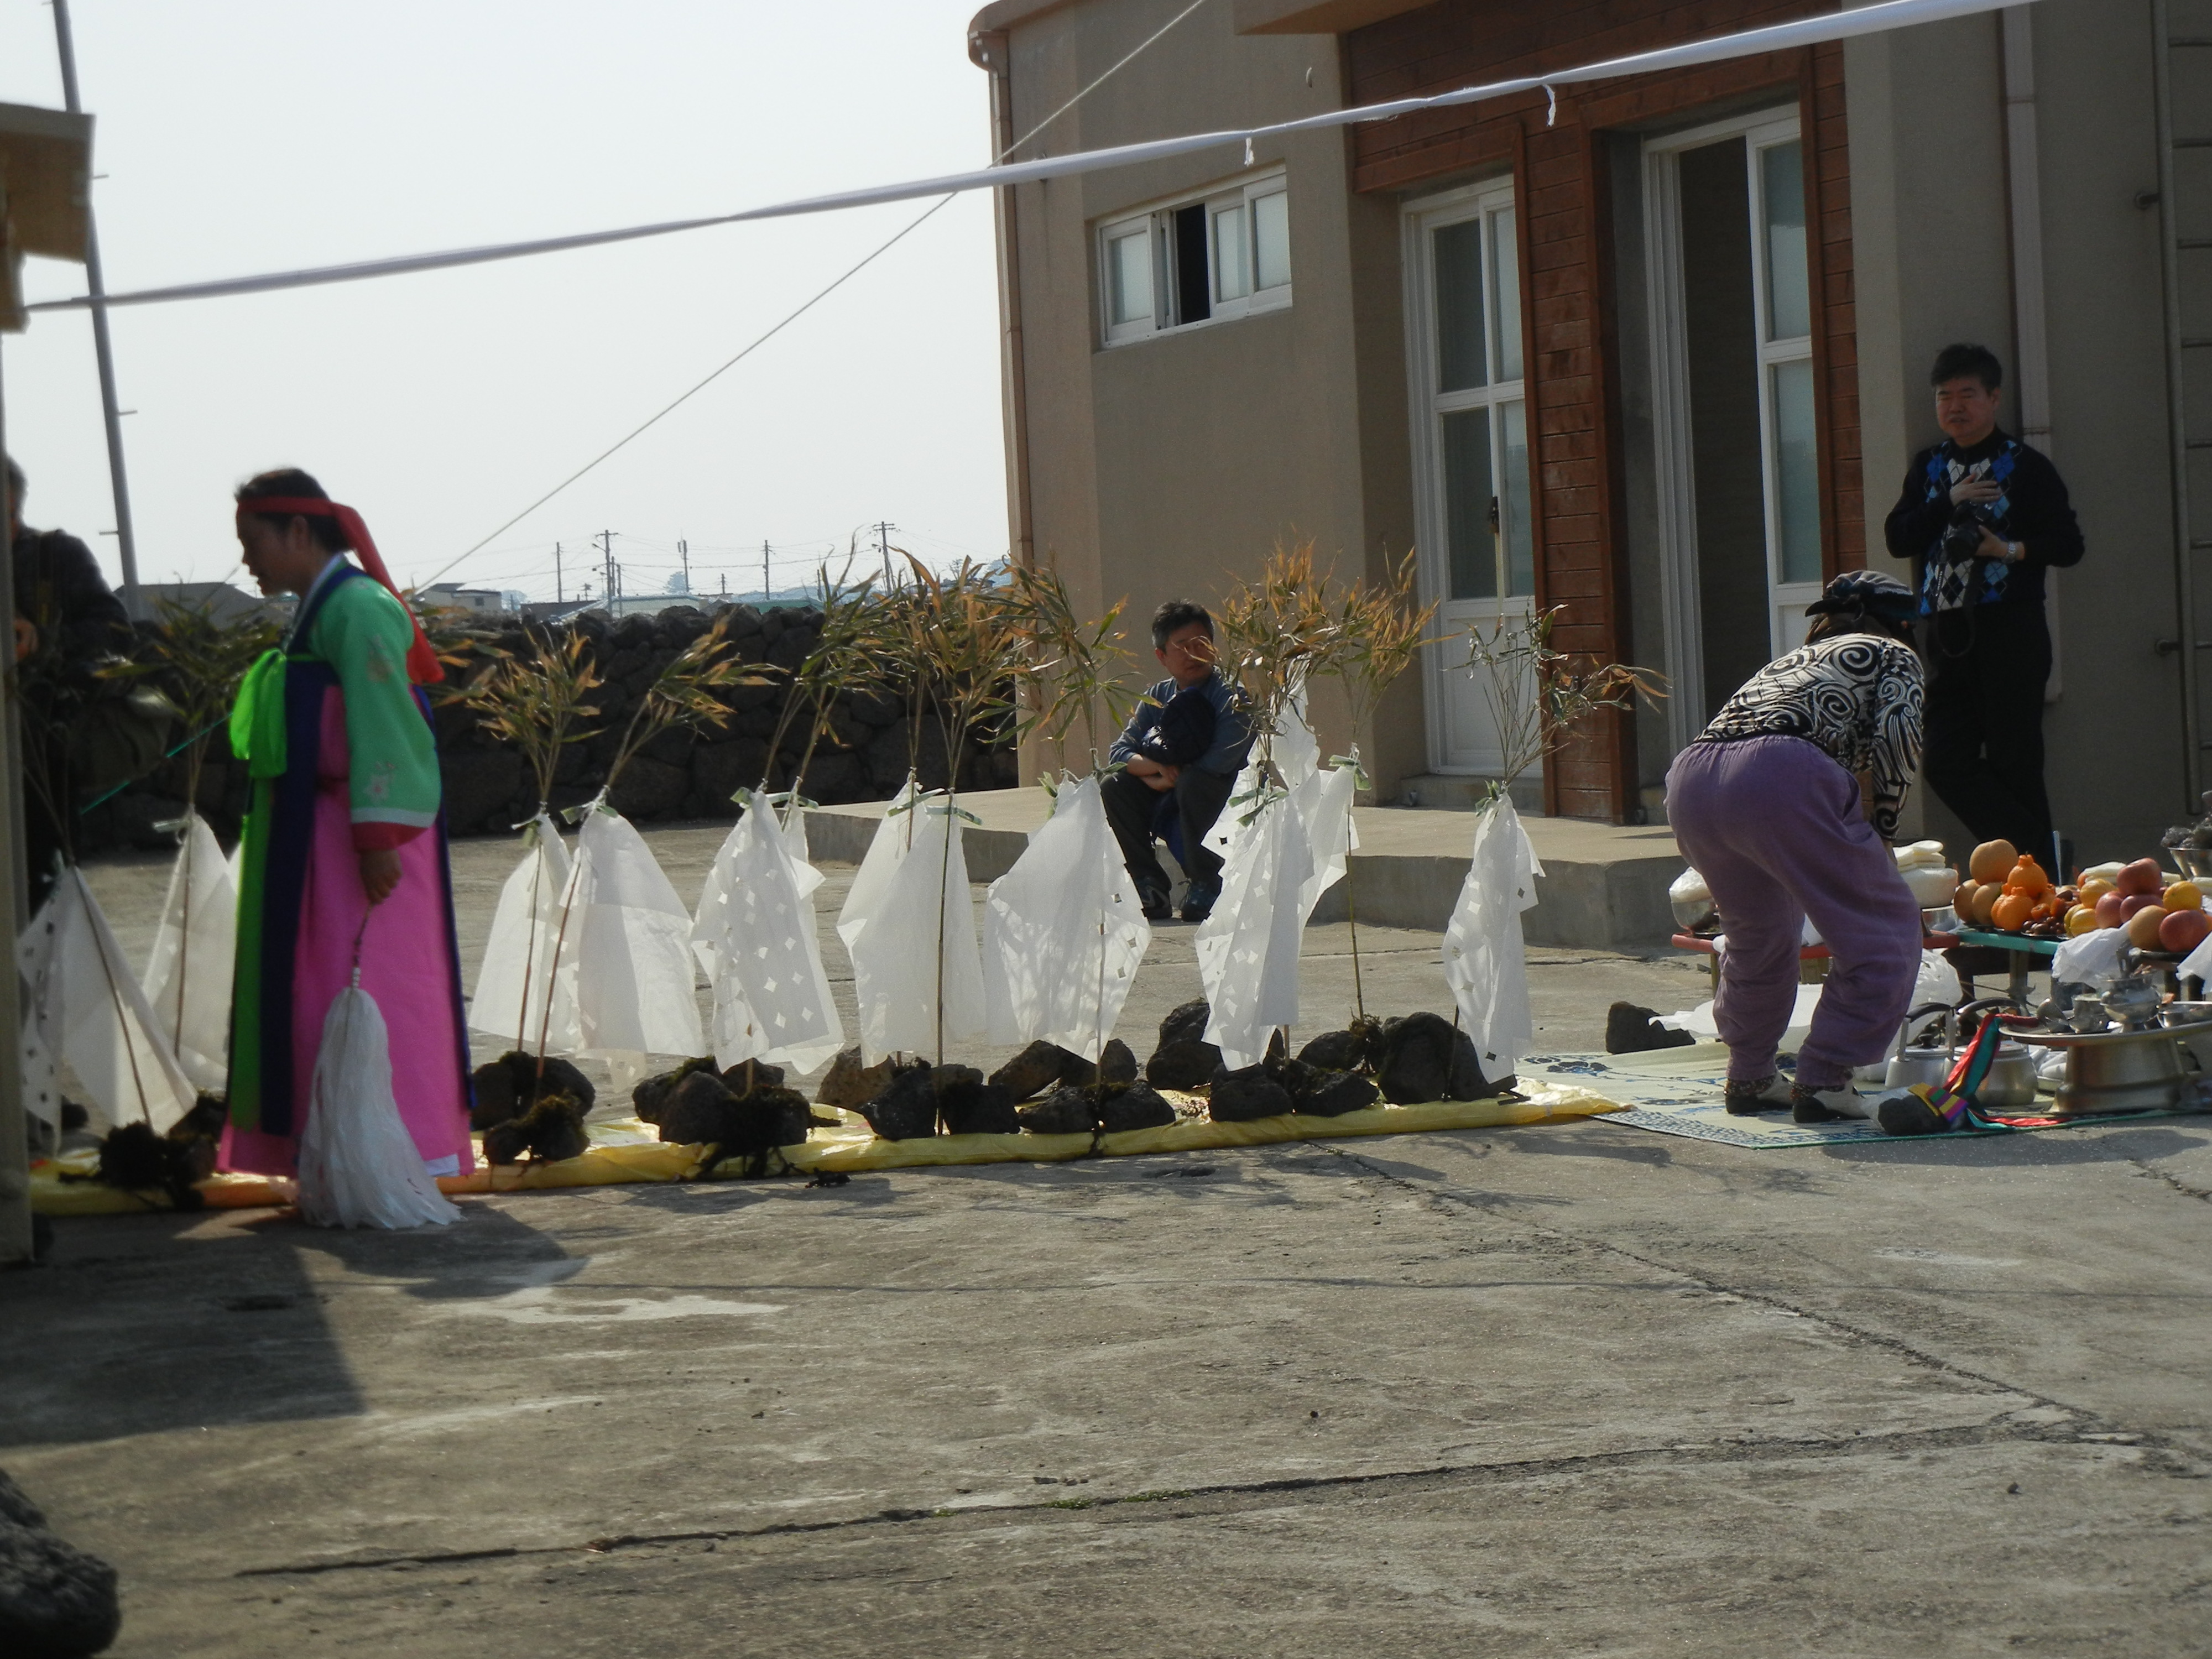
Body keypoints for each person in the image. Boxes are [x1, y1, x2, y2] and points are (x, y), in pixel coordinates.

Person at [219, 469, 474, 1183]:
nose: (246, 559)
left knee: (378, 988)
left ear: (298, 532)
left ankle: (397, 1150)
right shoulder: (324, 608)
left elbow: (385, 722)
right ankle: (327, 1151)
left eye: (252, 541)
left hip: (358, 836)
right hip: (318, 831)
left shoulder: (358, 607)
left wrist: (377, 838)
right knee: (317, 987)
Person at [1664, 571, 1927, 1124]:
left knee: (1757, 936)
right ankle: (1826, 1078)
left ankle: (1750, 1073)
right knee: (1883, 929)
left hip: (1693, 781)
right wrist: (1884, 829)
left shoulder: (1797, 659)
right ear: (1902, 624)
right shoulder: (1892, 653)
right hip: (1779, 774)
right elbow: (1897, 737)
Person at [1883, 343, 2083, 857]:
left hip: (2010, 628)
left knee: (2017, 762)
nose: (1954, 406)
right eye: (1944, 396)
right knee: (1945, 762)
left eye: (1967, 394)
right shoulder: (1929, 466)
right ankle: (2043, 856)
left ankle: (2035, 880)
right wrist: (1947, 502)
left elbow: (2068, 545)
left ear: (1994, 398)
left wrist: (2006, 550)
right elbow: (1898, 538)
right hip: (1943, 635)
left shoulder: (2027, 466)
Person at [6, 453, 135, 905]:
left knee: (46, 900)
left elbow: (116, 633)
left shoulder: (55, 557)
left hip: (41, 763)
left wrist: (41, 640)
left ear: (10, 502)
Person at [1102, 599, 1252, 922]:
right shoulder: (1156, 697)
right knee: (1114, 784)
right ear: (1162, 656)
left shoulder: (1233, 696)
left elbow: (1221, 761)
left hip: (1219, 798)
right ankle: (1148, 884)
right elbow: (1118, 754)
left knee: (1194, 782)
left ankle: (1207, 881)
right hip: (1173, 789)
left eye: (1201, 644)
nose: (1193, 654)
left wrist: (1173, 777)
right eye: (1182, 647)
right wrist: (1157, 770)